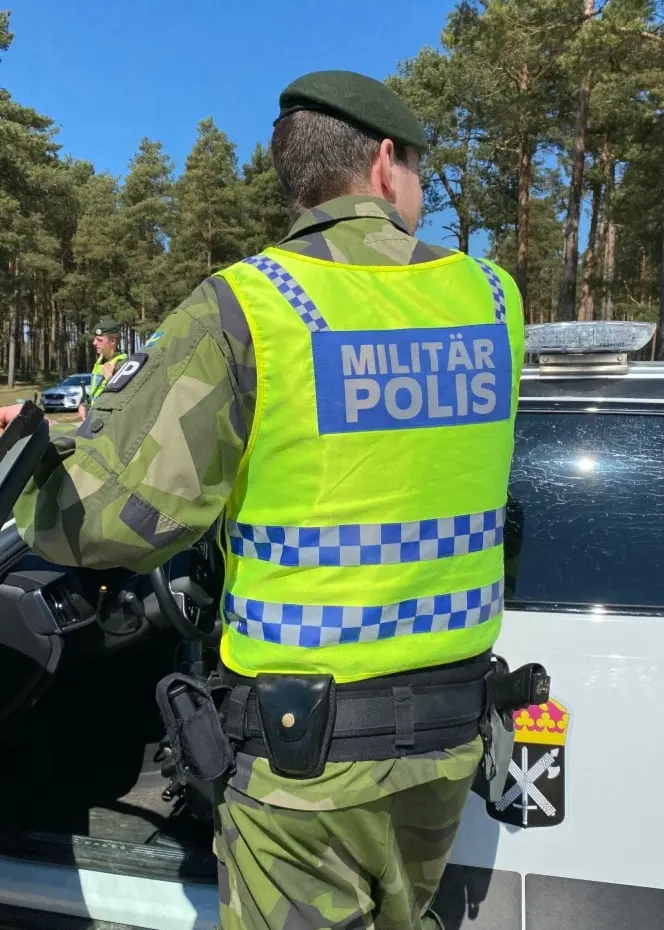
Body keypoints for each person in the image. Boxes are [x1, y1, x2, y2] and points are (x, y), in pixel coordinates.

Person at [0, 70, 524, 930]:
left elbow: (121, 521)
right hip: (445, 743)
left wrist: (30, 505)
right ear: (386, 163)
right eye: (422, 171)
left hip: (305, 766)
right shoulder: (493, 298)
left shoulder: (248, 304)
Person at [78, 316, 128, 419]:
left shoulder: (123, 364)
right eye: (94, 339)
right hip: (95, 416)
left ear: (112, 341)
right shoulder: (100, 361)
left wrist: (111, 379)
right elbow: (96, 392)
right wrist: (85, 406)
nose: (94, 343)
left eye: (99, 340)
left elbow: (127, 397)